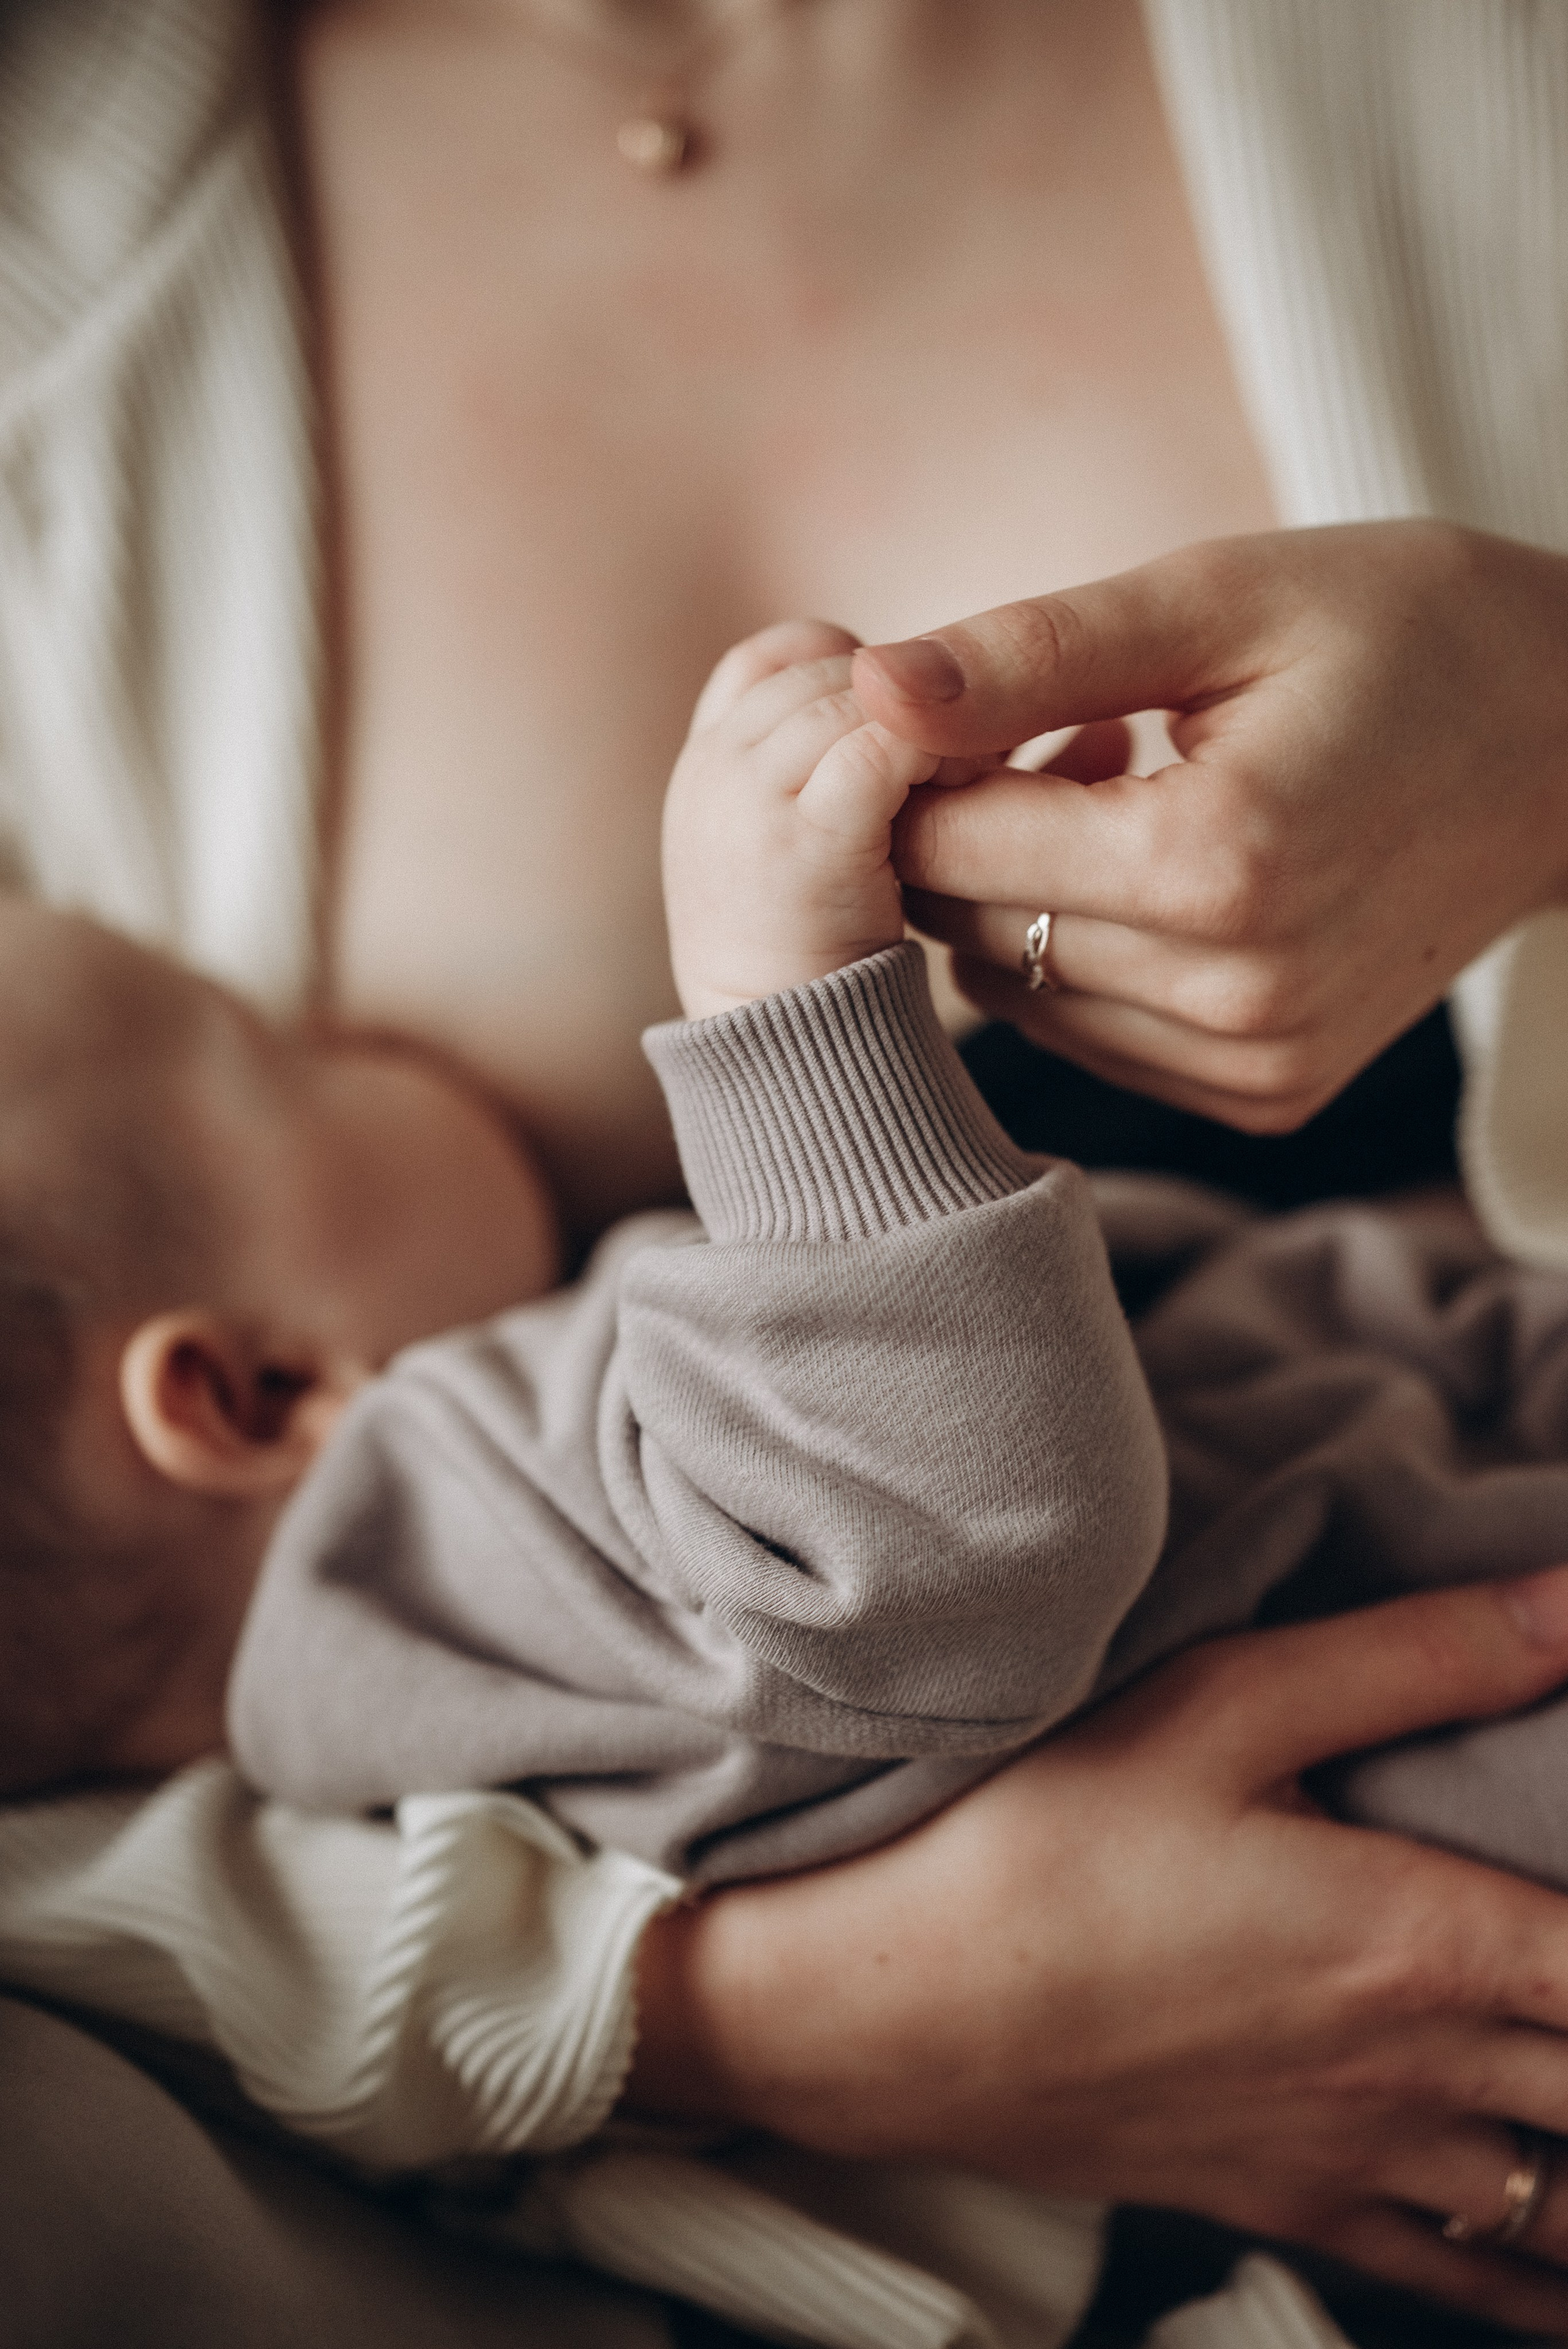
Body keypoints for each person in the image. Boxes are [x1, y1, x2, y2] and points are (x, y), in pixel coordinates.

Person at [7, 0, 1568, 2337]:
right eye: (274, 1049)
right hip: (1440, 1796)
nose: (349, 1029)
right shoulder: (452, 1489)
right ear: (241, 1391)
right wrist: (788, 1024)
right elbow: (960, 1542)